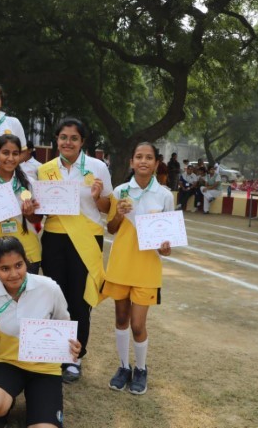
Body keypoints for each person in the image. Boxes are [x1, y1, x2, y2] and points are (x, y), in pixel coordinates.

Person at [0, 236, 81, 428]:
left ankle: (38, 405)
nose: (14, 274)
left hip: (45, 369)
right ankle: (4, 404)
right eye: (5, 268)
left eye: (18, 265)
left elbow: (65, 327)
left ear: (26, 262)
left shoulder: (49, 288)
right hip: (6, 362)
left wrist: (73, 346)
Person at [38, 118, 112, 383]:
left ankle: (74, 357)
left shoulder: (97, 167)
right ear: (56, 139)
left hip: (86, 239)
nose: (68, 142)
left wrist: (97, 196)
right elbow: (42, 210)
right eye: (63, 137)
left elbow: (107, 208)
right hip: (54, 238)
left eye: (74, 138)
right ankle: (55, 352)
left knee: (80, 300)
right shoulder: (45, 170)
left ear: (82, 142)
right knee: (55, 296)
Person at [103, 142, 173, 395]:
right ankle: (124, 366)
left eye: (149, 157)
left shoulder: (165, 195)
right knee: (121, 319)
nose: (143, 161)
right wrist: (119, 215)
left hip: (147, 268)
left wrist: (165, 248)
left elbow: (167, 243)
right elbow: (111, 228)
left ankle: (141, 369)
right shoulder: (120, 191)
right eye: (139, 157)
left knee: (137, 325)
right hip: (121, 265)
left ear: (156, 163)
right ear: (132, 162)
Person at [0, 134, 42, 284]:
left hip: (27, 251)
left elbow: (37, 220)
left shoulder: (30, 183)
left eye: (15, 153)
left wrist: (30, 214)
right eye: (5, 153)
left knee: (27, 297)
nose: (10, 158)